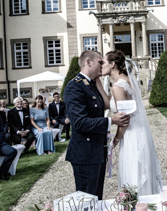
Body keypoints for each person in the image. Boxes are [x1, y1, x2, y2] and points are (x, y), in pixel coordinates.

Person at [64, 50, 130, 200]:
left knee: (97, 198)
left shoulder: (91, 84)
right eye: (100, 62)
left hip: (97, 152)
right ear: (88, 62)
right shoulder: (75, 86)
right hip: (85, 154)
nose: (102, 65)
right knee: (87, 199)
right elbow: (80, 122)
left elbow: (104, 106)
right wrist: (110, 121)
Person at [99, 50, 161, 196]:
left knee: (133, 174)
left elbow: (124, 120)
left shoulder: (118, 86)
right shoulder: (126, 82)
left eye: (103, 62)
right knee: (138, 173)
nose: (101, 65)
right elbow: (108, 103)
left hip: (131, 134)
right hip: (139, 131)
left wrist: (115, 141)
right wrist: (96, 80)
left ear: (112, 64)